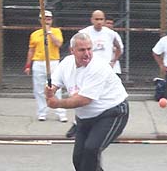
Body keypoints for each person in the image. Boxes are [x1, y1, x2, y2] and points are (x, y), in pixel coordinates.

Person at [45, 32, 129, 171]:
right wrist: (49, 90)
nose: (87, 53)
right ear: (72, 51)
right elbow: (53, 84)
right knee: (78, 159)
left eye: (89, 49)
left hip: (112, 113)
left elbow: (84, 100)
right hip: (85, 118)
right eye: (82, 50)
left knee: (91, 150)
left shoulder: (98, 66)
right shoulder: (66, 63)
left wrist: (57, 103)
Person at [65, 10, 122, 138]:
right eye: (96, 19)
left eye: (101, 19)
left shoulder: (111, 34)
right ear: (91, 20)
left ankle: (104, 125)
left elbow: (119, 48)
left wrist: (113, 60)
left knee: (103, 100)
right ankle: (77, 124)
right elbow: (73, 49)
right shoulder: (84, 33)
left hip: (104, 72)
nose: (99, 22)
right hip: (87, 70)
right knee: (82, 97)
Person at [24, 10, 67, 122]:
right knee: (39, 89)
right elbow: (31, 50)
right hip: (38, 62)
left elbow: (58, 44)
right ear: (40, 21)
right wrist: (28, 65)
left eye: (49, 19)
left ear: (52, 20)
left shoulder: (56, 31)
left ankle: (60, 112)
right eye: (44, 19)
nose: (47, 21)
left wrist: (49, 33)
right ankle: (42, 112)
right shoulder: (35, 34)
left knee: (56, 87)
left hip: (53, 62)